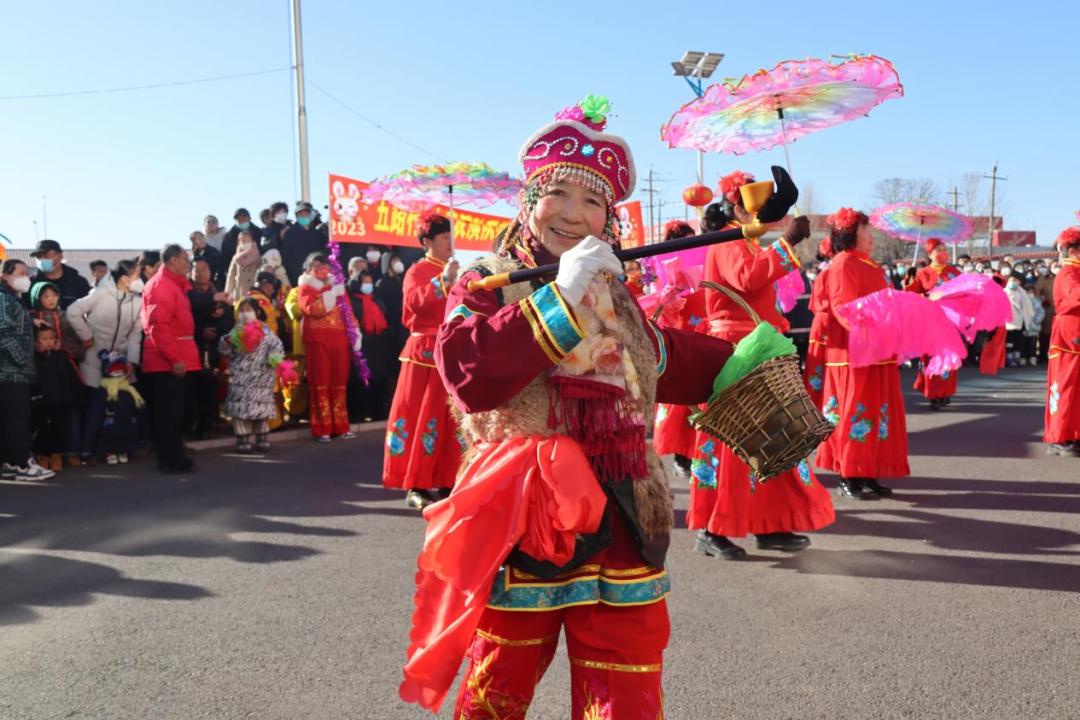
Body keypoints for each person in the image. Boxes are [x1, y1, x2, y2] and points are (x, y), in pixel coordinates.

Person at [400, 97, 737, 717]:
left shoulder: (614, 292)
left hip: (623, 507)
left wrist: (745, 361)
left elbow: (663, 358)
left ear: (610, 220)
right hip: (525, 509)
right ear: (529, 203)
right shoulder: (487, 278)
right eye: (558, 194)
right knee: (499, 686)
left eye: (594, 203)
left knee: (626, 686)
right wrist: (562, 291)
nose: (574, 215)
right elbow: (468, 371)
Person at [686, 172, 831, 561]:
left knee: (774, 436)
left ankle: (771, 523)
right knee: (732, 440)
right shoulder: (729, 239)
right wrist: (789, 241)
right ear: (735, 206)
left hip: (754, 349)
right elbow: (748, 279)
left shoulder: (744, 238)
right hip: (734, 353)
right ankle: (711, 528)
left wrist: (779, 229)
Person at [816, 208, 910, 498]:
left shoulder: (872, 266)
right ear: (850, 234)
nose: (871, 236)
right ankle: (849, 474)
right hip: (853, 353)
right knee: (854, 413)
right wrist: (868, 328)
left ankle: (868, 471)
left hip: (878, 352)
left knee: (875, 414)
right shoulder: (843, 264)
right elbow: (842, 306)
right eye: (866, 230)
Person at [382, 212, 461, 510]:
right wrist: (443, 281)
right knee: (418, 417)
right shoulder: (417, 271)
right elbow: (413, 304)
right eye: (443, 238)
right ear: (427, 241)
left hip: (450, 353)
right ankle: (414, 484)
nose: (449, 243)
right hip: (423, 354)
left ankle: (448, 478)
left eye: (450, 237)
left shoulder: (457, 271)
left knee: (448, 420)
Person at [651, 219, 705, 478]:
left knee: (700, 400)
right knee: (680, 403)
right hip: (677, 340)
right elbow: (662, 310)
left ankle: (696, 453)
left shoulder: (702, 266)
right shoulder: (665, 272)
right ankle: (682, 456)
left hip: (700, 336)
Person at [141, 244, 200, 473]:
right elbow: (159, 326)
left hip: (180, 355)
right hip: (167, 361)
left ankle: (174, 454)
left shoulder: (175, 286)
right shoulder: (161, 285)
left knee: (179, 412)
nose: (189, 263)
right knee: (168, 414)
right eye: (186, 259)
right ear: (173, 260)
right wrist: (174, 358)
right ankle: (169, 458)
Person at [0, 259, 55, 481]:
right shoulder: (4, 299)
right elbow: (2, 333)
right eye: (21, 273)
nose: (27, 277)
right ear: (6, 275)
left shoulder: (12, 299)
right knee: (17, 418)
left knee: (10, 418)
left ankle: (10, 462)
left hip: (12, 370)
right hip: (10, 370)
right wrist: (22, 358)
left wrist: (32, 322)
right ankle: (21, 463)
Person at [296, 252, 359, 441]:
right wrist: (331, 293)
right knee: (320, 384)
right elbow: (312, 309)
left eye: (324, 265)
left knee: (339, 384)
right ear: (308, 269)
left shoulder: (337, 286)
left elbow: (348, 312)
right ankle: (322, 428)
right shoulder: (306, 287)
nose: (322, 269)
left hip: (340, 340)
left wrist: (355, 333)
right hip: (318, 340)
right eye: (316, 266)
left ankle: (341, 426)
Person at [219, 298, 285, 453]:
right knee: (240, 409)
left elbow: (277, 347)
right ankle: (243, 439)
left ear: (257, 311)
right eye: (242, 310)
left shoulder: (266, 331)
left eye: (248, 309)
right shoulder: (235, 331)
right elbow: (225, 352)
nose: (245, 313)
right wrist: (226, 342)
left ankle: (262, 436)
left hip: (261, 376)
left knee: (261, 408)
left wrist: (274, 359)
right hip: (240, 376)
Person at [66, 259, 143, 388]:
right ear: (124, 279)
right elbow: (73, 312)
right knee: (94, 402)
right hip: (93, 361)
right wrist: (87, 336)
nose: (141, 281)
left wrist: (131, 360)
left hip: (120, 364)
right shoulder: (100, 293)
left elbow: (135, 334)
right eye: (138, 276)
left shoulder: (138, 302)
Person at [905, 238, 963, 409]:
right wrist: (909, 279)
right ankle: (933, 393)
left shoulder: (955, 272)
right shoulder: (922, 273)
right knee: (930, 357)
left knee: (948, 357)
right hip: (929, 321)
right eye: (937, 250)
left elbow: (963, 293)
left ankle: (945, 392)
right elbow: (911, 295)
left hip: (949, 321)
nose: (942, 253)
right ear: (929, 253)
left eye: (944, 249)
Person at [186, 258, 233, 439]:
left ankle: (211, 421)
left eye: (204, 269)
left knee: (213, 386)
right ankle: (194, 425)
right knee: (195, 388)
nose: (201, 273)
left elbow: (229, 320)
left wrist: (218, 328)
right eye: (196, 270)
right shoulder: (187, 293)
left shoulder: (219, 292)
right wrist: (201, 331)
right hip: (194, 345)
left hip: (215, 347)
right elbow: (186, 318)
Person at [1045, 227, 1080, 456]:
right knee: (1065, 385)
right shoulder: (1068, 272)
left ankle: (1074, 433)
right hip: (1069, 334)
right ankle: (1059, 437)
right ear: (1073, 250)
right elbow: (1076, 295)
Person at [30, 325, 83, 472]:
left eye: (51, 339)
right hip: (41, 400)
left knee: (59, 427)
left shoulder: (62, 357)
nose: (48, 342)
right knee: (42, 428)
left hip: (60, 399)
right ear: (36, 342)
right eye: (44, 339)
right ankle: (42, 455)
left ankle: (56, 455)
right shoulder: (34, 359)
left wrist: (70, 396)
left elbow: (69, 379)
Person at [347, 270, 391, 422]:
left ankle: (377, 412)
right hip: (363, 346)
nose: (368, 284)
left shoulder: (377, 299)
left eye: (369, 281)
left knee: (379, 381)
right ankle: (358, 413)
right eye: (365, 281)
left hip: (379, 346)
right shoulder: (353, 301)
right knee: (360, 381)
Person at [804, 238, 833, 410]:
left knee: (820, 367)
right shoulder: (829, 273)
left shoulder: (826, 272)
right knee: (822, 367)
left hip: (823, 322)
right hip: (826, 322)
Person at [30, 282, 85, 363]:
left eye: (54, 295)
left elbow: (74, 339)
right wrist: (35, 346)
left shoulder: (66, 316)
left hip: (64, 360)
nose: (51, 299)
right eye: (46, 296)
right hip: (38, 362)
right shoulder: (32, 317)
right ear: (37, 299)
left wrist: (63, 346)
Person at [28, 239, 91, 310]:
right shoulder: (32, 283)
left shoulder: (78, 282)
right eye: (38, 257)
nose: (42, 260)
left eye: (45, 255)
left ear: (60, 255)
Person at [281, 202, 325, 285]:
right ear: (297, 217)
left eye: (306, 214)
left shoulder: (318, 234)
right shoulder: (290, 234)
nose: (304, 216)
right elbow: (287, 257)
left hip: (317, 276)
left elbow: (323, 253)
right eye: (301, 214)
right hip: (298, 277)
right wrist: (295, 274)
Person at [1004, 272, 1036, 368]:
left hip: (1020, 321)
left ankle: (1016, 359)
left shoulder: (1021, 292)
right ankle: (1009, 359)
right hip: (1009, 322)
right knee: (1009, 341)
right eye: (1011, 280)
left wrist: (1028, 317)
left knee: (1018, 341)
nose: (1013, 282)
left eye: (1015, 280)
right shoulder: (1004, 291)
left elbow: (1027, 306)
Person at [224, 229, 262, 303]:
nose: (243, 242)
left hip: (253, 289)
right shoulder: (236, 257)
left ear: (252, 240)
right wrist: (228, 293)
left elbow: (260, 268)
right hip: (239, 289)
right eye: (241, 240)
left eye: (246, 239)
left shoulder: (257, 254)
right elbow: (231, 276)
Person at [221, 208, 262, 273]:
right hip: (238, 271)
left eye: (244, 218)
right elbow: (225, 257)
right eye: (239, 219)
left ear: (249, 218)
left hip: (257, 269)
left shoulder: (259, 233)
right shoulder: (228, 237)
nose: (242, 221)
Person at [1035, 262, 1056, 364]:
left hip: (1061, 310)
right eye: (1054, 266)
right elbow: (1037, 292)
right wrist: (1043, 300)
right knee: (1045, 333)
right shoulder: (1044, 279)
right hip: (1048, 309)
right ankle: (1043, 354)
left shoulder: (1065, 277)